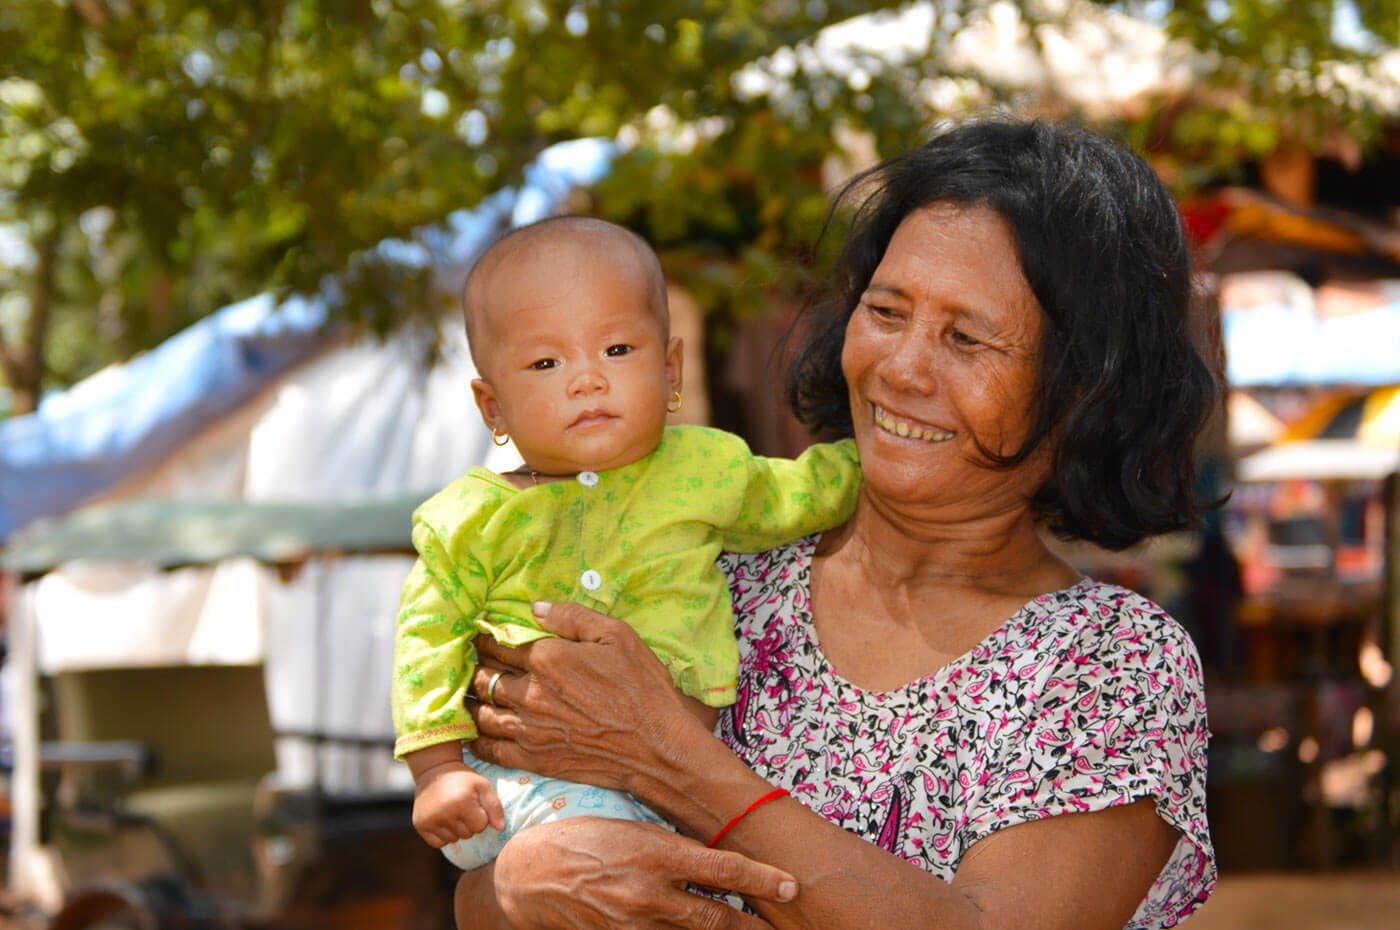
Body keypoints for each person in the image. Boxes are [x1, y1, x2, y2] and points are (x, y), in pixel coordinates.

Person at [453, 117, 1219, 930]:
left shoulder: (1108, 665)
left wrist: (668, 758)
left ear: (1081, 389)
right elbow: (492, 882)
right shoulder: (703, 565)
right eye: (886, 312)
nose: (902, 367)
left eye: (966, 339)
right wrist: (513, 887)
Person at [391, 216, 862, 872]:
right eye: (546, 363)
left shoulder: (705, 469)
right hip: (521, 787)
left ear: (670, 370)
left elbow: (798, 493)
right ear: (493, 408)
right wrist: (436, 771)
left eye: (616, 351)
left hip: (678, 785)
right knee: (615, 867)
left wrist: (873, 459)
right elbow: (426, 641)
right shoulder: (470, 519)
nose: (587, 380)